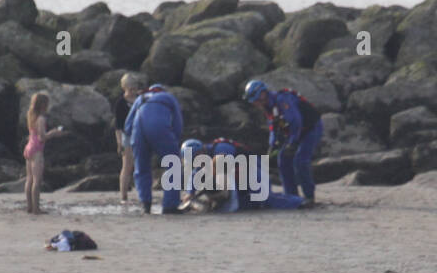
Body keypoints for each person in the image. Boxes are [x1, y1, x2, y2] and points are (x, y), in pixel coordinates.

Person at [243, 80, 322, 207]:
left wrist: (292, 142)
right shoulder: (268, 107)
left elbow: (296, 121)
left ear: (262, 94)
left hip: (310, 129)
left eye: (255, 100)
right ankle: (292, 197)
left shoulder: (282, 99)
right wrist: (272, 146)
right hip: (294, 132)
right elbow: (274, 127)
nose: (254, 103)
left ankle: (309, 196)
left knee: (300, 160)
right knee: (283, 159)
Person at [177, 137, 304, 212]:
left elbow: (220, 164)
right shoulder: (201, 160)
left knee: (264, 199)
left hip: (256, 170)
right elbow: (195, 174)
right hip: (241, 177)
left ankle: (300, 203)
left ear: (202, 150)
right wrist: (190, 193)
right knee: (247, 205)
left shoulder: (221, 148)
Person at [122, 83, 184, 215]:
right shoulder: (169, 97)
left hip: (138, 131)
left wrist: (132, 140)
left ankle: (146, 204)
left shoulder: (140, 98)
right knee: (173, 165)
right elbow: (178, 123)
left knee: (142, 168)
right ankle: (170, 206)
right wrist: (174, 139)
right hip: (159, 128)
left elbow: (127, 125)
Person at [23, 92, 65, 214]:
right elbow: (42, 137)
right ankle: (36, 208)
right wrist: (53, 133)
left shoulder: (31, 116)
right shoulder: (41, 119)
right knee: (37, 180)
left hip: (28, 148)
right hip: (37, 150)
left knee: (29, 179)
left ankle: (29, 206)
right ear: (43, 105)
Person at [115, 74, 144, 203]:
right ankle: (123, 196)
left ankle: (142, 194)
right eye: (130, 88)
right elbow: (118, 125)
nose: (133, 91)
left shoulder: (141, 99)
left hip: (140, 134)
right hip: (126, 135)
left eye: (134, 88)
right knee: (127, 166)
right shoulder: (120, 103)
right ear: (124, 88)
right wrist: (119, 142)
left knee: (141, 165)